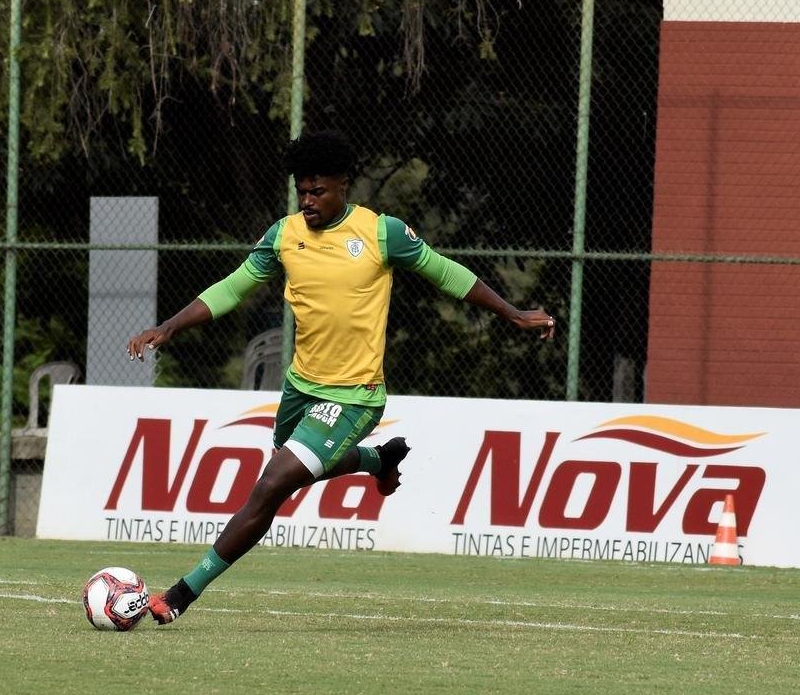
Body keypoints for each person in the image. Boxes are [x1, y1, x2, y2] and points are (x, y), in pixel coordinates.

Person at [126, 129, 555, 624]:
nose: (307, 201)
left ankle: (182, 593)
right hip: (299, 388)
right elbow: (232, 287)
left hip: (354, 395)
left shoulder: (381, 233)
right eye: (301, 191)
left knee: (269, 487)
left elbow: (445, 272)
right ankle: (377, 458)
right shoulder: (284, 235)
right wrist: (169, 326)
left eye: (318, 192)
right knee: (286, 473)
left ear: (344, 185)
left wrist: (513, 313)